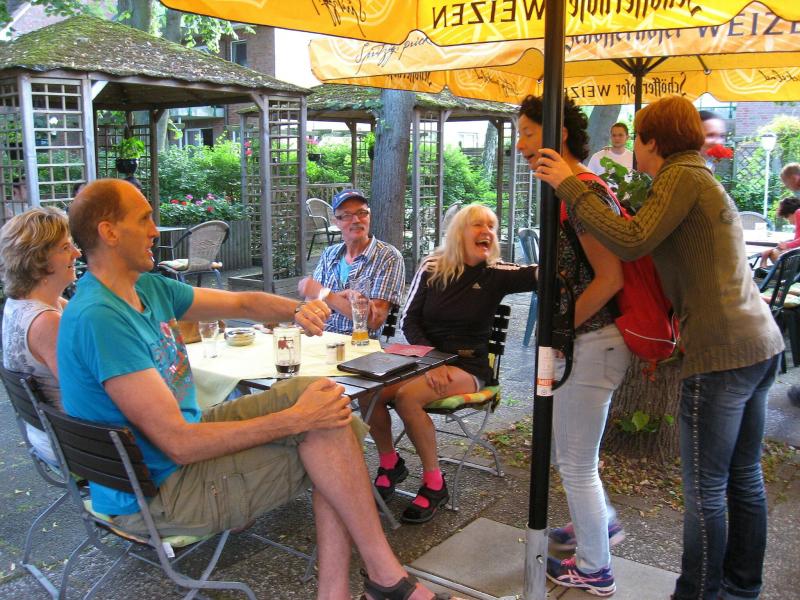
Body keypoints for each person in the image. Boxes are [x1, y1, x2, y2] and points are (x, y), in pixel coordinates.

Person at [57, 179, 456, 600]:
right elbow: (179, 444)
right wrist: (295, 421)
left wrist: (299, 309)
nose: (155, 230)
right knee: (328, 442)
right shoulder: (102, 318)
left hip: (171, 454)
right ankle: (380, 583)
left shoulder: (145, 288)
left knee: (322, 397)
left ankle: (375, 583)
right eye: (144, 219)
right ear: (109, 232)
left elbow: (243, 304)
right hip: (159, 492)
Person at [534, 95, 783, 600]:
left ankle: (697, 594)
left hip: (720, 351)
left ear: (652, 141)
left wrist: (571, 186)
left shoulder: (680, 174)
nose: (634, 152)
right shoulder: (700, 176)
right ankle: (741, 589)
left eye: (638, 140)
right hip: (759, 343)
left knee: (707, 491)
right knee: (743, 479)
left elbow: (631, 241)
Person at [517, 96, 629, 597]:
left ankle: (595, 568)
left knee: (577, 466)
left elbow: (609, 278)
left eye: (528, 132)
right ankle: (600, 523)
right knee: (572, 456)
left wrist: (560, 332)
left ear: (557, 133)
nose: (521, 143)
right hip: (587, 344)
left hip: (593, 343)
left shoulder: (581, 193)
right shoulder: (570, 190)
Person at [364, 203, 537, 524]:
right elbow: (409, 318)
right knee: (368, 390)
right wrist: (433, 360)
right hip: (426, 361)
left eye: (492, 226)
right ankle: (390, 463)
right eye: (478, 225)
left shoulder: (496, 272)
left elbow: (543, 274)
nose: (487, 232)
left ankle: (434, 483)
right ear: (458, 231)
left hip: (469, 367)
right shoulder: (432, 266)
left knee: (408, 397)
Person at [0, 207, 82, 465]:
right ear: (38, 260)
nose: (77, 253)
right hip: (80, 446)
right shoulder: (46, 322)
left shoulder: (19, 304)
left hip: (45, 434)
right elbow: (86, 393)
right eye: (65, 247)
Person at [298, 189, 404, 337]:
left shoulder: (388, 256)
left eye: (362, 213)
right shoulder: (329, 254)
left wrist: (325, 294)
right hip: (321, 338)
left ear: (369, 216)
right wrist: (340, 296)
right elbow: (309, 308)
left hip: (359, 344)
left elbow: (374, 320)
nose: (356, 220)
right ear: (335, 222)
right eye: (347, 215)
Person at [759, 196, 800, 267]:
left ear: (790, 213)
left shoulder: (798, 212)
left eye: (786, 217)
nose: (789, 222)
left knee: (776, 256)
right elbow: (797, 241)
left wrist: (787, 245)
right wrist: (788, 244)